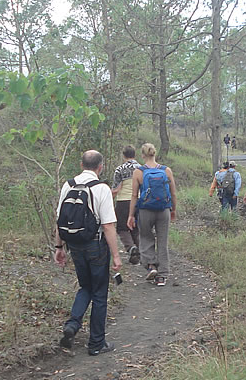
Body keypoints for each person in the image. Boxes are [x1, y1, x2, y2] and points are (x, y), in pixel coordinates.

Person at [55, 150, 121, 356]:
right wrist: (116, 256)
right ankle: (96, 343)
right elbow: (108, 226)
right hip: (96, 245)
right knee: (100, 293)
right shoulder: (101, 188)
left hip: (75, 245)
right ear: (100, 167)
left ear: (81, 165)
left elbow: (60, 220)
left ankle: (72, 325)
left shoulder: (69, 185)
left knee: (85, 287)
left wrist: (59, 248)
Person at [127, 143, 178, 287]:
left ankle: (151, 266)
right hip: (164, 210)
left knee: (145, 237)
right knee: (163, 241)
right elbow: (173, 193)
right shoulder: (166, 170)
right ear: (155, 154)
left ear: (142, 155)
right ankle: (162, 276)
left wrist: (131, 215)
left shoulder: (138, 172)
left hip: (145, 210)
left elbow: (134, 196)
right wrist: (173, 210)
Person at [111, 145, 141, 265]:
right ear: (135, 154)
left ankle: (130, 247)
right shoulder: (141, 168)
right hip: (139, 200)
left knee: (122, 228)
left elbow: (116, 189)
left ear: (123, 155)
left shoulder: (120, 169)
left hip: (123, 201)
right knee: (137, 228)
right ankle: (141, 251)